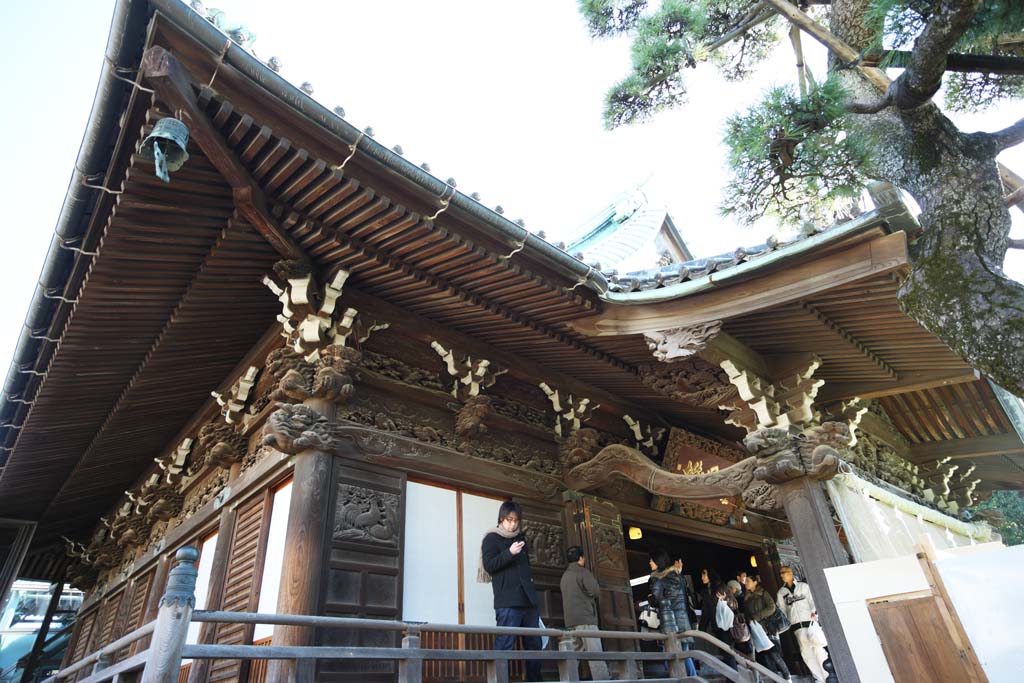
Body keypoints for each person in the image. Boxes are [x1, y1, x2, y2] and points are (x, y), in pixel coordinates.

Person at [479, 501, 541, 681]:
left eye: (516, 521)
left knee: (534, 646)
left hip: (528, 601)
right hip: (507, 601)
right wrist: (509, 553)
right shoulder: (491, 538)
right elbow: (489, 566)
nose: (513, 524)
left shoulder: (520, 538)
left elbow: (526, 568)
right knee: (505, 644)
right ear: (501, 518)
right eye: (509, 520)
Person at [560, 545, 610, 681]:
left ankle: (566, 680)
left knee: (572, 657)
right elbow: (595, 591)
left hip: (571, 622)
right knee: (596, 657)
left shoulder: (564, 576)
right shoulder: (583, 573)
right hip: (586, 620)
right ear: (581, 558)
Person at [648, 549, 697, 677]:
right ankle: (692, 678)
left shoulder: (658, 579)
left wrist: (651, 597)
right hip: (682, 620)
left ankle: (676, 677)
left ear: (658, 561)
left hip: (670, 621)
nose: (650, 562)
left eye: (652, 560)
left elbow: (657, 600)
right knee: (684, 654)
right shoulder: (677, 577)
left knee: (669, 653)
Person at [777, 566, 829, 683]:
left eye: (783, 572)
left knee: (818, 649)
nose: (782, 575)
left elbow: (812, 600)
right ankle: (818, 679)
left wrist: (814, 612)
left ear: (790, 573)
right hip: (796, 626)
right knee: (806, 652)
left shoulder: (803, 586)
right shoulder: (781, 592)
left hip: (809, 622)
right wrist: (788, 621)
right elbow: (782, 609)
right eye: (780, 573)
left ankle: (827, 676)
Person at [743, 574, 792, 682]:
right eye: (745, 581)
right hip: (757, 630)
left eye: (748, 581)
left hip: (768, 627)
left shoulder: (763, 593)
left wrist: (756, 616)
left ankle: (787, 676)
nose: (746, 583)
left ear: (755, 582)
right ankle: (775, 678)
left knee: (775, 654)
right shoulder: (746, 598)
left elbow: (772, 608)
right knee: (766, 656)